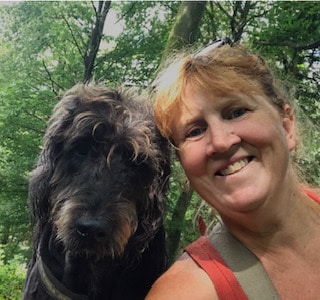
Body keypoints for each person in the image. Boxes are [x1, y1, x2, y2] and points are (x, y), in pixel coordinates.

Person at [145, 38, 320, 299]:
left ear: (287, 126)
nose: (221, 142)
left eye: (236, 112)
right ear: (185, 170)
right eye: (195, 131)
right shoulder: (183, 292)